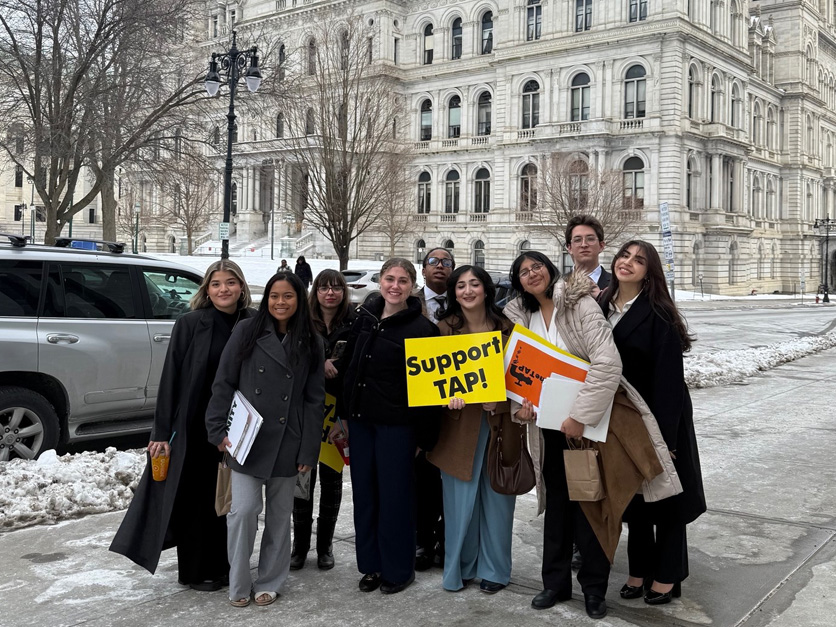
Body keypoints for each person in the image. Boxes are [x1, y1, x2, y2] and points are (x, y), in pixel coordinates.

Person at [110, 260, 253, 590]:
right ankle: (196, 571)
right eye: (216, 284)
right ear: (206, 290)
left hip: (240, 426)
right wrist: (161, 433)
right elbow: (171, 378)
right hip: (194, 426)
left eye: (230, 283)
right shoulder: (190, 324)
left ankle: (228, 565)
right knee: (196, 499)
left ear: (241, 287)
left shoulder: (253, 323)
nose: (223, 290)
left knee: (230, 499)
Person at [504, 251, 621, 620]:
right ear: (518, 282)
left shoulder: (581, 305)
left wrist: (579, 417)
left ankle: (593, 589)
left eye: (536, 266)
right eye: (523, 272)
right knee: (556, 508)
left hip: (584, 428)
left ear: (550, 268)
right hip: (546, 429)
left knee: (589, 507)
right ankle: (554, 584)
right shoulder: (522, 319)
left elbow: (607, 362)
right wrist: (520, 412)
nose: (531, 274)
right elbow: (517, 375)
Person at [205, 272, 325, 608]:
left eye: (288, 296)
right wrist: (217, 431)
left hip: (289, 440)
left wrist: (309, 448)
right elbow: (223, 382)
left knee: (278, 517)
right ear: (266, 298)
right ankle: (239, 581)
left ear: (299, 299)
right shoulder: (246, 331)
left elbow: (315, 400)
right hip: (245, 439)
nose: (280, 302)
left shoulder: (311, 340)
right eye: (274, 296)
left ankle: (271, 580)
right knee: (241, 512)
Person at [599, 240, 705, 605]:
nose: (627, 263)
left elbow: (669, 382)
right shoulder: (601, 306)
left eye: (639, 260)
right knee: (635, 498)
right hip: (619, 419)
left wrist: (668, 440)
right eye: (624, 255)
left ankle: (668, 575)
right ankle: (639, 569)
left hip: (659, 414)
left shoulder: (658, 312)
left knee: (667, 496)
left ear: (650, 271)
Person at [339, 257, 440, 595]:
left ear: (412, 286)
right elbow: (350, 369)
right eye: (389, 279)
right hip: (361, 423)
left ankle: (397, 569)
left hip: (397, 427)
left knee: (395, 499)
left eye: (402, 281)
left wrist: (423, 438)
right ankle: (371, 565)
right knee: (366, 497)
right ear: (380, 281)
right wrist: (343, 413)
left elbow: (427, 394)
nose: (394, 286)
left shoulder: (423, 330)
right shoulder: (363, 318)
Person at [427, 265, 519, 594]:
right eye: (461, 285)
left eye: (474, 284)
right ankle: (460, 568)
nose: (468, 291)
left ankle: (495, 569)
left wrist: (504, 404)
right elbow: (428, 384)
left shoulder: (508, 329)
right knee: (458, 504)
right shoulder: (443, 330)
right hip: (458, 431)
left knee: (498, 502)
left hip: (499, 428)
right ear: (453, 292)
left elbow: (523, 385)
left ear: (486, 289)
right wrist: (444, 399)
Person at [290, 269, 356, 571]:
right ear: (315, 292)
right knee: (301, 483)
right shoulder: (301, 323)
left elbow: (357, 367)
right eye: (324, 288)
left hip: (337, 414)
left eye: (336, 288)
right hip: (305, 414)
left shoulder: (354, 324)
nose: (330, 293)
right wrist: (321, 363)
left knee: (331, 485)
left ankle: (325, 546)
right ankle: (299, 547)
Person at [411, 247, 455, 570]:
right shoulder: (410, 304)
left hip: (456, 407)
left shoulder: (463, 301)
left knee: (448, 480)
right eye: (433, 262)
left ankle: (444, 540)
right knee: (421, 479)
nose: (440, 267)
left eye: (446, 263)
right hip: (420, 406)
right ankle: (422, 542)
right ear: (423, 269)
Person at [565, 215, 611, 294]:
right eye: (577, 240)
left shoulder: (618, 284)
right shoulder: (558, 285)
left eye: (590, 239)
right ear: (569, 248)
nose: (584, 245)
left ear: (601, 245)